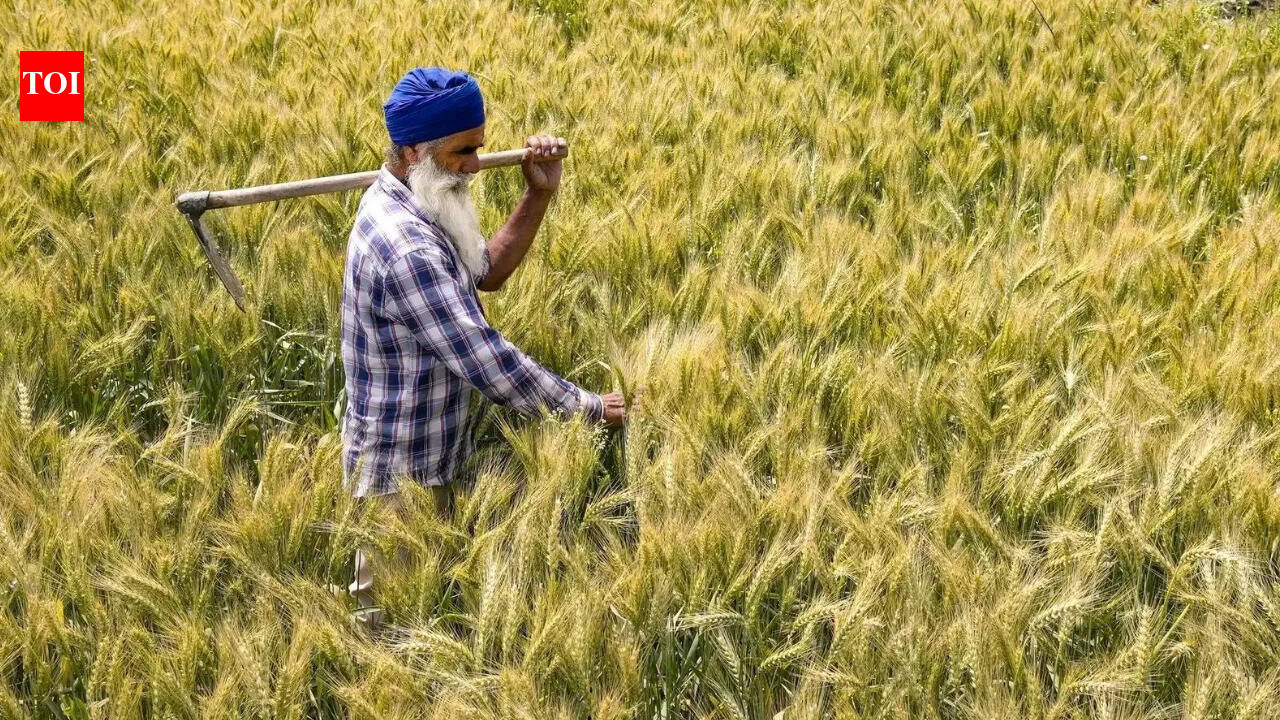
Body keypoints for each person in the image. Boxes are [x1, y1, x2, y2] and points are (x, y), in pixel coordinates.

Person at [338, 66, 630, 629]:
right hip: (399, 478)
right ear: (413, 149)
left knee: (426, 619)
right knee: (386, 634)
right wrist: (588, 408)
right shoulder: (406, 249)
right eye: (461, 153)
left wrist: (536, 193)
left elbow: (484, 272)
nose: (475, 166)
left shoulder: (421, 200)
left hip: (432, 458)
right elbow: (489, 365)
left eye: (479, 147)